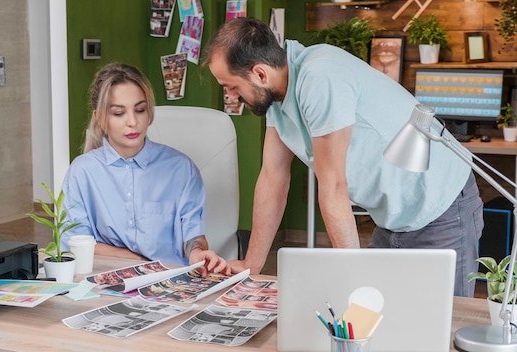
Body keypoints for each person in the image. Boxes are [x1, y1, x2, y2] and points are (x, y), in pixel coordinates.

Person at [203, 17, 483, 297]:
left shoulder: (320, 77)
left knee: (444, 325)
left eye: (231, 86)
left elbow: (334, 186)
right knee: (377, 317)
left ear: (259, 74)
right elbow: (272, 178)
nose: (230, 95)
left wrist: (352, 280)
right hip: (393, 218)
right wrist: (252, 265)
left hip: (441, 207)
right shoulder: (278, 96)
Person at [60, 63, 230, 276]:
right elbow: (75, 243)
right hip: (106, 283)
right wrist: (141, 262)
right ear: (100, 118)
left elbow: (193, 236)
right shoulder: (82, 172)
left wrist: (197, 253)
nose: (133, 122)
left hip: (171, 283)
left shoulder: (182, 169)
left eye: (140, 110)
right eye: (119, 113)